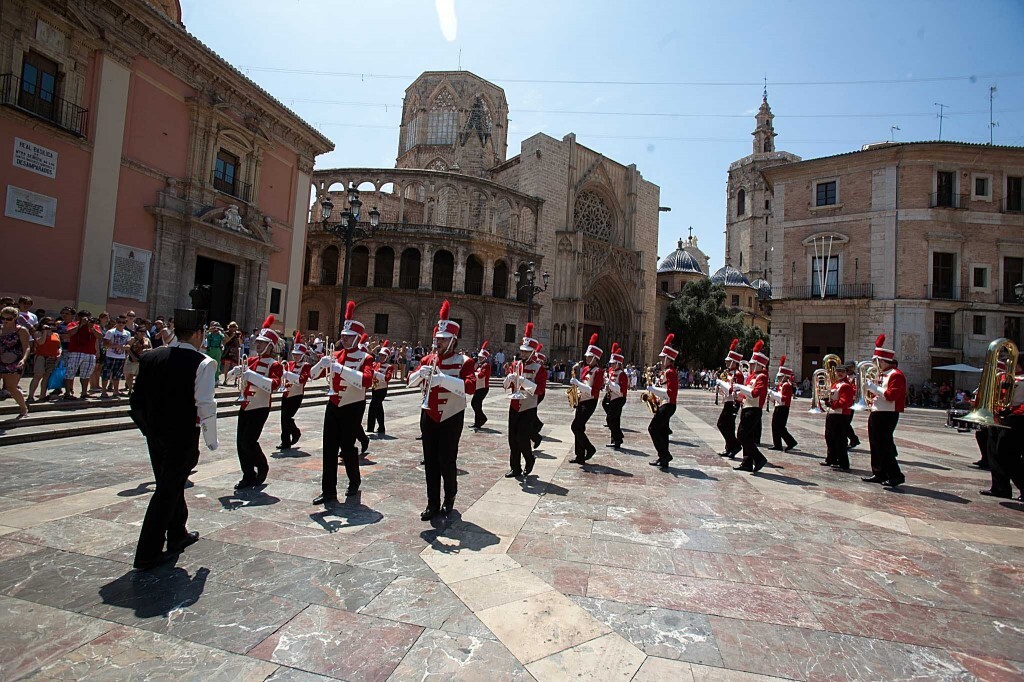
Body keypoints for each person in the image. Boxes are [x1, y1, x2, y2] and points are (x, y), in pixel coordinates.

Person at [128, 308, 217, 570]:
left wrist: (149, 429)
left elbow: (135, 402)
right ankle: (147, 552)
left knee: (171, 484)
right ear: (199, 333)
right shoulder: (203, 363)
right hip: (182, 434)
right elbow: (205, 405)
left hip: (155, 433)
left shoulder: (151, 356)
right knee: (166, 491)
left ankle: (177, 532)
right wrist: (211, 439)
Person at [408, 300, 475, 520]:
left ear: (453, 340)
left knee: (447, 460)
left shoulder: (464, 361)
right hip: (429, 415)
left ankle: (450, 496)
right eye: (437, 338)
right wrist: (420, 373)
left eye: (443, 339)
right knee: (430, 461)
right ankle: (432, 503)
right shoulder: (428, 359)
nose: (438, 342)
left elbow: (470, 386)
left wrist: (442, 379)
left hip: (452, 416)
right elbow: (410, 382)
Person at [311, 302, 373, 505]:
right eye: (343, 335)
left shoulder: (366, 357)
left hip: (353, 405)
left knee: (347, 447)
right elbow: (312, 376)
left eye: (348, 336)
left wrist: (341, 370)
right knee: (328, 448)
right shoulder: (335, 355)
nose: (343, 338)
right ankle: (328, 490)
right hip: (334, 403)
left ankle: (354, 481)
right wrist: (322, 363)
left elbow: (366, 381)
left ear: (356, 337)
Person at [226, 315, 283, 490]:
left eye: (261, 343)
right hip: (246, 404)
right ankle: (248, 474)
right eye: (257, 342)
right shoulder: (250, 361)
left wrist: (253, 376)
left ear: (270, 346)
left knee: (249, 441)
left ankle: (262, 465)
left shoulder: (275, 365)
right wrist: (236, 372)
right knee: (240, 442)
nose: (257, 345)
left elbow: (274, 385)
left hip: (260, 406)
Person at [862, 334, 907, 488]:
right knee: (875, 444)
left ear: (884, 361)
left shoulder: (896, 375)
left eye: (877, 361)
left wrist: (873, 388)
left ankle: (895, 475)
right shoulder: (882, 374)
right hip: (876, 411)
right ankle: (879, 472)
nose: (876, 364)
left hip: (888, 413)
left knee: (884, 445)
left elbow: (891, 396)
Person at [503, 322, 543, 479]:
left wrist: (524, 381)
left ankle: (529, 458)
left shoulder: (539, 369)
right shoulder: (515, 364)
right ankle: (515, 468)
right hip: (514, 405)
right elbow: (506, 386)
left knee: (522, 437)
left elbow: (539, 390)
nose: (523, 354)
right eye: (522, 351)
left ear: (533, 353)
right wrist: (509, 378)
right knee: (512, 438)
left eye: (526, 352)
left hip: (528, 406)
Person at [987, 359, 1024, 502]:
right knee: (993, 452)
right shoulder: (1004, 376)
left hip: (1017, 418)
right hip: (1000, 416)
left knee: (1007, 454)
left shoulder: (1019, 379)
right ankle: (1000, 487)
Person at [732, 340, 769, 473]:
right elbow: (747, 394)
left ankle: (759, 459)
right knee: (746, 436)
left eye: (753, 364)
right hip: (747, 408)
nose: (751, 366)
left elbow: (755, 393)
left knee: (742, 435)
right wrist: (738, 397)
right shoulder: (753, 377)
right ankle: (747, 462)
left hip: (753, 409)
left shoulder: (762, 377)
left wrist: (740, 387)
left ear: (760, 365)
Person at [568, 334, 605, 464]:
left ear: (595, 358)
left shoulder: (599, 372)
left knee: (575, 427)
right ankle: (580, 456)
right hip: (581, 400)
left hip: (590, 402)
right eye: (587, 356)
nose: (587, 358)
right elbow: (583, 386)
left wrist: (578, 384)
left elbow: (594, 391)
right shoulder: (585, 370)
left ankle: (589, 448)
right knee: (580, 427)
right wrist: (576, 394)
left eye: (589, 356)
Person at [647, 334, 679, 468]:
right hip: (665, 404)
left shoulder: (670, 372)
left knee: (653, 429)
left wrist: (653, 389)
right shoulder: (666, 372)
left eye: (662, 358)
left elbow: (670, 393)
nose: (660, 361)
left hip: (668, 405)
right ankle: (663, 458)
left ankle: (665, 454)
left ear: (668, 359)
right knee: (663, 431)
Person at [278, 332, 313, 450]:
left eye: (298, 355)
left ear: (303, 355)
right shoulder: (290, 364)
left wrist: (288, 374)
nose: (295, 357)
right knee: (283, 418)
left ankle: (296, 432)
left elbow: (302, 380)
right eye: (294, 354)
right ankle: (285, 442)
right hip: (286, 393)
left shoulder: (306, 365)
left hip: (296, 394)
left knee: (287, 417)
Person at [822, 363, 856, 471]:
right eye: (838, 372)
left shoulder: (846, 385)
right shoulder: (835, 384)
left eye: (842, 372)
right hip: (832, 413)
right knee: (829, 437)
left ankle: (843, 462)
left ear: (846, 373)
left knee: (840, 439)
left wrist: (832, 404)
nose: (840, 373)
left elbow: (845, 402)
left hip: (841, 415)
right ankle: (831, 458)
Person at [62, 311, 103, 400]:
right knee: (70, 373)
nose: (86, 319)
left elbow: (100, 336)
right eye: (83, 317)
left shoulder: (94, 326)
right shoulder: (73, 324)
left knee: (86, 374)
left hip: (90, 353)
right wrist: (81, 325)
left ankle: (84, 392)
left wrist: (92, 328)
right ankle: (68, 393)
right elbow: (70, 333)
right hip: (75, 352)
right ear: (78, 317)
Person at [716, 339, 745, 459]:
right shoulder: (729, 373)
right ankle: (729, 447)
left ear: (734, 362)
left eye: (729, 362)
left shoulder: (737, 374)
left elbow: (735, 389)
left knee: (722, 424)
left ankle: (735, 445)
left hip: (733, 402)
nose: (727, 364)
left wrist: (721, 384)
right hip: (727, 401)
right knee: (728, 426)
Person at [0, 306, 31, 417]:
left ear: (15, 318)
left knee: (11, 387)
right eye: (3, 318)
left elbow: (27, 347)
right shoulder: (1, 329)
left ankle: (23, 408)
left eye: (8, 319)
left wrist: (23, 359)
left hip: (14, 361)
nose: (5, 321)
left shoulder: (21, 330)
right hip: (1, 358)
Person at [767, 355, 798, 452]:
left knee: (780, 427)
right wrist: (772, 398)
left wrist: (773, 394)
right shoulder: (782, 385)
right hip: (779, 406)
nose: (778, 378)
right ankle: (777, 444)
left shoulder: (787, 385)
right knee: (775, 426)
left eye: (780, 376)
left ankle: (790, 442)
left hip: (783, 407)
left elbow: (784, 398)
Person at [28, 318, 61, 403]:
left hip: (52, 357)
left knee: (46, 377)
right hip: (41, 356)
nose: (50, 326)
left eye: (52, 324)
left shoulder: (56, 334)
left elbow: (58, 346)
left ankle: (42, 395)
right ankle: (30, 396)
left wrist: (59, 352)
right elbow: (41, 342)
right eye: (48, 324)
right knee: (37, 376)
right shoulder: (38, 333)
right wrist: (45, 332)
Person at [99, 315, 131, 399]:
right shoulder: (111, 332)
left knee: (117, 375)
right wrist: (114, 345)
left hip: (121, 356)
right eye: (119, 322)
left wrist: (126, 347)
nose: (121, 324)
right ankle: (103, 391)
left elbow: (129, 344)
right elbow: (105, 344)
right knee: (106, 374)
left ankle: (115, 391)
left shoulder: (127, 333)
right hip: (110, 355)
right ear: (117, 322)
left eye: (123, 322)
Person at [604, 343, 629, 450]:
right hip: (611, 396)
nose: (612, 365)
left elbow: (622, 391)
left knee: (610, 419)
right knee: (614, 419)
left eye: (614, 363)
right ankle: (615, 440)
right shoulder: (611, 371)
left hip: (619, 398)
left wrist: (611, 384)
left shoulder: (622, 374)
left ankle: (618, 437)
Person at [367, 339, 394, 436]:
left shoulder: (389, 366)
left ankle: (370, 428)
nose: (381, 357)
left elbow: (387, 378)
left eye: (383, 356)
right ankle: (381, 427)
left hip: (382, 390)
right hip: (374, 388)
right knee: (379, 409)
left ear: (387, 357)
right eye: (380, 355)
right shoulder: (376, 364)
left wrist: (376, 374)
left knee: (372, 407)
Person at [124, 325, 151, 395]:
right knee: (129, 375)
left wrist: (147, 350)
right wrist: (132, 357)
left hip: (142, 360)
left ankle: (136, 389)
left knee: (139, 376)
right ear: (137, 332)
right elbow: (128, 348)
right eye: (141, 331)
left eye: (144, 331)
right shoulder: (133, 339)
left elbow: (151, 348)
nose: (142, 333)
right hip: (132, 359)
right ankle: (130, 389)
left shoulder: (147, 340)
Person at [530, 347, 549, 448]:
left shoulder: (540, 369)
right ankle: (537, 425)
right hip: (531, 393)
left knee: (529, 413)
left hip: (538, 393)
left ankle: (536, 433)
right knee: (530, 413)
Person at [471, 341, 492, 429]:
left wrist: (474, 372)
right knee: (476, 404)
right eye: (479, 357)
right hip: (479, 387)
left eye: (481, 357)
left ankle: (482, 418)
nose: (479, 358)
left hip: (483, 388)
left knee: (475, 403)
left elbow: (481, 375)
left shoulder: (486, 365)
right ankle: (477, 422)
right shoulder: (480, 364)